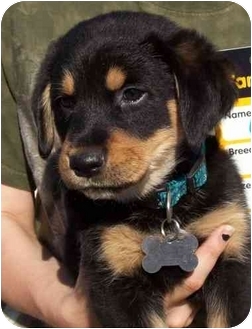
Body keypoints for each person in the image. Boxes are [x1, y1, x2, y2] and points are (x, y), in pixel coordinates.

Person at [1, 2, 250, 327]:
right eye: (66, 103)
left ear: (195, 101)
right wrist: (62, 307)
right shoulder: (21, 20)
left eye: (132, 94)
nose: (85, 151)